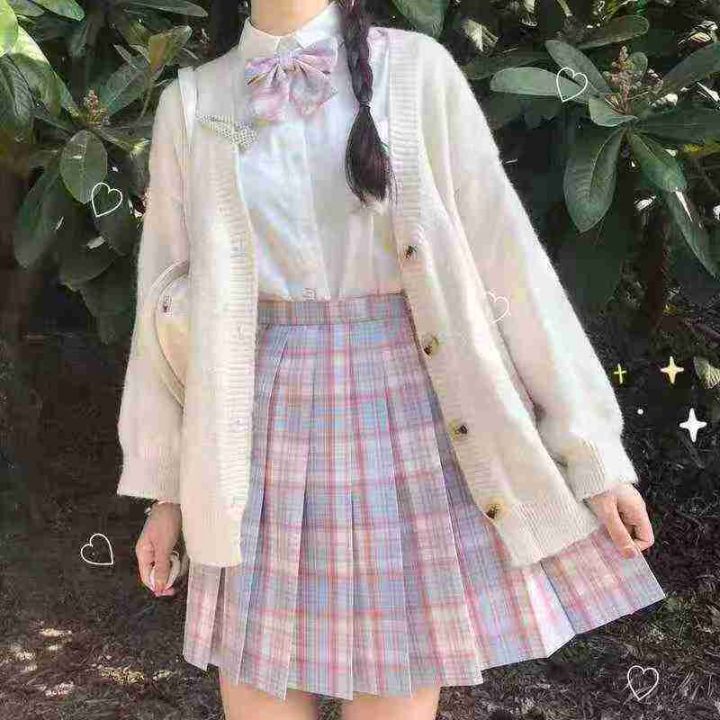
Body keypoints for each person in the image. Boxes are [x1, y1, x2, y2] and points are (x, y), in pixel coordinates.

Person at [116, 1, 666, 718]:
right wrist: (166, 493)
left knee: (394, 694)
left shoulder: (416, 72)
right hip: (254, 430)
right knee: (256, 684)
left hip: (407, 418)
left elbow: (509, 264)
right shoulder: (194, 103)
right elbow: (166, 305)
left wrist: (593, 455)